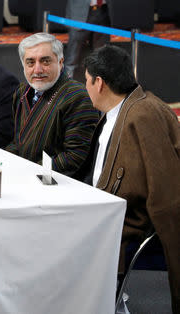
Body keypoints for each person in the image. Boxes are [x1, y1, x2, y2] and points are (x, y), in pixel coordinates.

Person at [76, 45, 180, 313]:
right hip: (107, 210)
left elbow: (165, 190)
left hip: (125, 222)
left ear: (99, 83)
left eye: (86, 80)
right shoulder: (129, 107)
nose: (85, 87)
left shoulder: (142, 115)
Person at [6, 33, 99, 177]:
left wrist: (27, 170)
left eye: (45, 61)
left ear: (61, 62)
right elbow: (18, 143)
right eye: (30, 62)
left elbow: (75, 157)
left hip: (59, 185)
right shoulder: (21, 92)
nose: (37, 70)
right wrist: (3, 161)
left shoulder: (77, 97)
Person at [64, 0, 110, 79]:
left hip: (103, 11)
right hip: (80, 12)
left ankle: (99, 88)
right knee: (72, 59)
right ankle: (67, 88)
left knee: (101, 58)